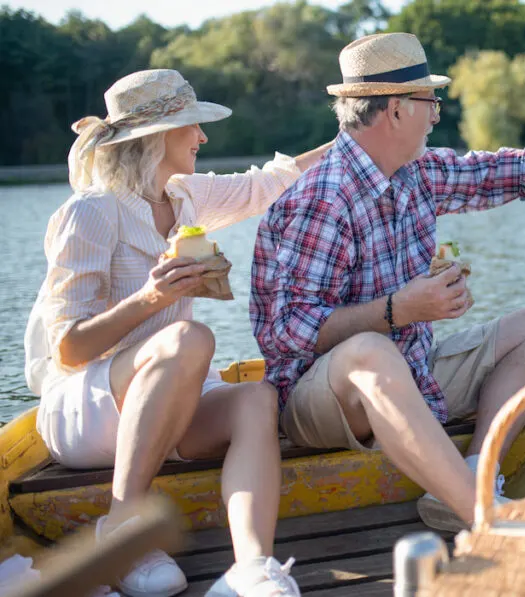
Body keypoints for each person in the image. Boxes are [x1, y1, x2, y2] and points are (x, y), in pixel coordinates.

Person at [249, 32, 525, 533]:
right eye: (431, 102)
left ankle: (474, 478)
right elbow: (283, 333)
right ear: (397, 110)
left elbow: (490, 172)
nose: (437, 114)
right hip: (319, 403)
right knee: (372, 351)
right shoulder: (322, 199)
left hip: (411, 372)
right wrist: (397, 310)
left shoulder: (416, 171)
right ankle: (481, 515)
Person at [23, 69, 332, 597]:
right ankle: (122, 528)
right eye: (192, 125)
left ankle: (252, 569)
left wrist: (363, 130)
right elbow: (68, 349)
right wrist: (152, 298)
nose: (202, 137)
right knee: (191, 339)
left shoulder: (185, 198)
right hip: (84, 407)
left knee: (256, 399)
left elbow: (271, 184)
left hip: (168, 397)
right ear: (157, 136)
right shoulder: (91, 212)